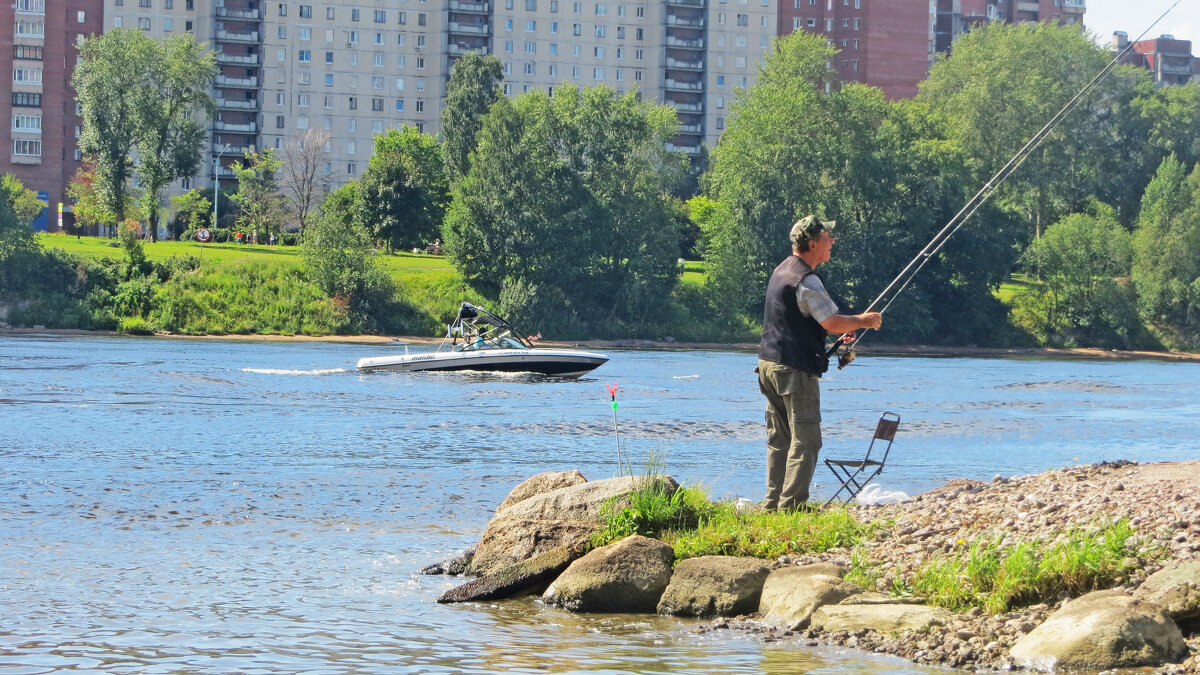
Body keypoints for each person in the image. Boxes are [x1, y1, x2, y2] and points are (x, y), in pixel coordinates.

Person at [757, 215, 883, 512]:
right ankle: (792, 508)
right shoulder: (807, 278)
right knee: (807, 439)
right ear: (812, 243)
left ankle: (772, 505)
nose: (832, 241)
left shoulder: (781, 270)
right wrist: (865, 320)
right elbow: (830, 321)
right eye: (828, 237)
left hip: (767, 364)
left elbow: (803, 322)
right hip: (792, 370)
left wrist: (839, 331)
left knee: (780, 438)